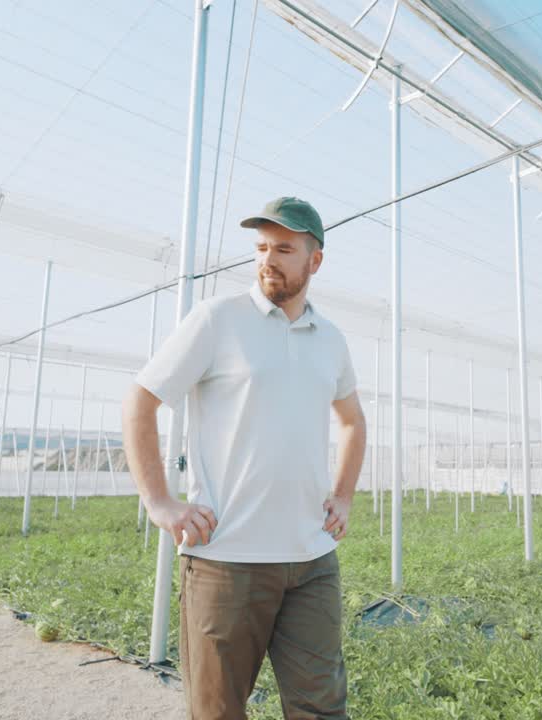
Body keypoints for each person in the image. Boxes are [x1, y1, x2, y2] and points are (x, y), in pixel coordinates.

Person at [122, 196, 366, 720]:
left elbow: (352, 421)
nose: (267, 259)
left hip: (311, 561)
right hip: (225, 560)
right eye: (260, 247)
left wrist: (343, 496)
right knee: (218, 710)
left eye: (283, 248)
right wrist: (160, 502)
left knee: (322, 708)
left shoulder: (332, 340)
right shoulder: (217, 320)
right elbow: (141, 402)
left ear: (314, 260)